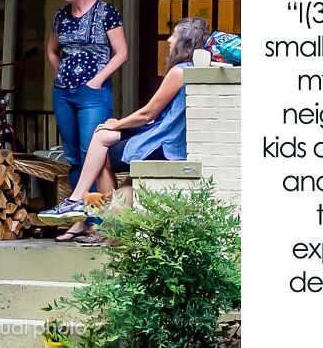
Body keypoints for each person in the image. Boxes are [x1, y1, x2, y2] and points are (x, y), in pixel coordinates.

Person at [39, 17, 209, 243]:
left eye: (175, 35)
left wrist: (116, 123)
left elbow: (148, 114)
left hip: (166, 142)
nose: (169, 40)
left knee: (102, 149)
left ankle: (90, 211)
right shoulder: (193, 69)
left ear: (185, 43)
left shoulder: (179, 72)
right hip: (164, 133)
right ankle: (85, 207)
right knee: (101, 140)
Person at [48, 0, 128, 241]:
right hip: (63, 93)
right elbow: (52, 51)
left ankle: (102, 221)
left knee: (92, 155)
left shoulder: (106, 12)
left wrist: (96, 80)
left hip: (93, 95)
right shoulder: (61, 15)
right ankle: (81, 220)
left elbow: (122, 53)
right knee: (72, 157)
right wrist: (60, 73)